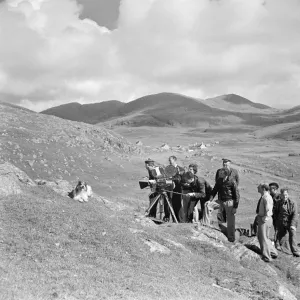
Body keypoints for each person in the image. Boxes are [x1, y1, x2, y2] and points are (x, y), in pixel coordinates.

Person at [205, 168, 240, 242]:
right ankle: (206, 225)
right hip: (220, 201)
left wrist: (235, 207)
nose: (219, 174)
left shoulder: (232, 181)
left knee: (230, 221)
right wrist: (209, 200)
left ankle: (231, 238)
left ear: (225, 174)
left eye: (221, 173)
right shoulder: (219, 181)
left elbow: (237, 195)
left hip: (229, 202)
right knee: (208, 206)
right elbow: (214, 191)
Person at [273, 188, 300, 257]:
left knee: (292, 234)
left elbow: (295, 215)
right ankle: (286, 251)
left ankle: (295, 250)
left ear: (288, 195)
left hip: (290, 222)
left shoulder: (293, 203)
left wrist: (293, 225)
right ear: (281, 195)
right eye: (283, 195)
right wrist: (277, 222)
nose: (285, 196)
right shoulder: (278, 203)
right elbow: (275, 212)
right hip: (281, 222)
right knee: (282, 237)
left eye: (286, 195)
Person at [256, 183, 278, 262]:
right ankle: (273, 252)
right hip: (264, 218)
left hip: (265, 219)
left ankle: (266, 257)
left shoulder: (266, 197)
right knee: (264, 237)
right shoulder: (264, 196)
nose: (257, 188)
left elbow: (268, 209)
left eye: (259, 187)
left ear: (263, 189)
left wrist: (264, 218)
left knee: (263, 238)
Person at [168, 156, 184, 222]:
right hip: (170, 190)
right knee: (171, 205)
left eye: (170, 160)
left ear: (174, 160)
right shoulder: (168, 169)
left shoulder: (180, 169)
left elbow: (181, 180)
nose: (169, 161)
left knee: (178, 205)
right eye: (169, 160)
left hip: (178, 190)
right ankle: (174, 220)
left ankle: (180, 220)